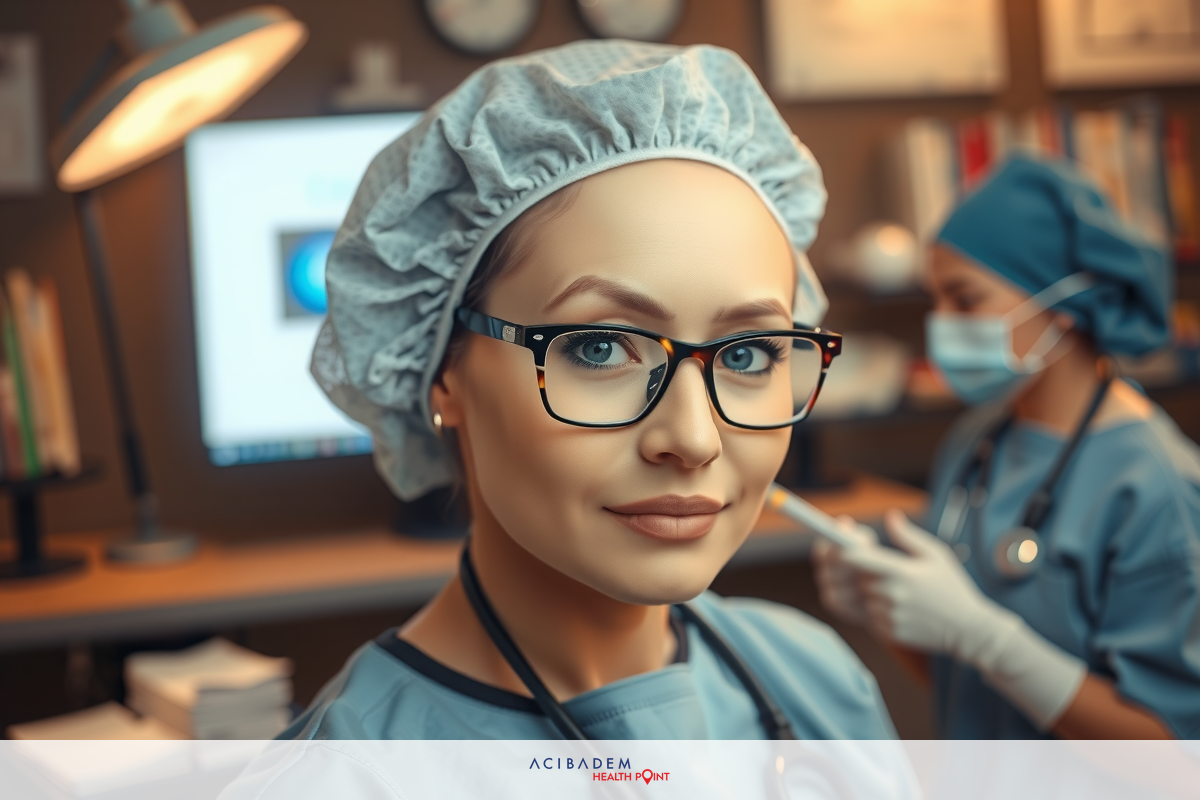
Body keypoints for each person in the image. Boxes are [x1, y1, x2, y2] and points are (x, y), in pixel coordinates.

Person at [277, 40, 895, 741]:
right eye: (599, 348)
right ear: (443, 373)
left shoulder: (821, 683)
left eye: (748, 353)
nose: (692, 439)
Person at [813, 155, 1200, 739]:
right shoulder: (978, 439)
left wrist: (987, 638)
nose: (941, 324)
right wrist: (889, 612)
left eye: (965, 300)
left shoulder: (1154, 485)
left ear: (1064, 306)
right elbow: (968, 685)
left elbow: (1175, 761)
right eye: (935, 299)